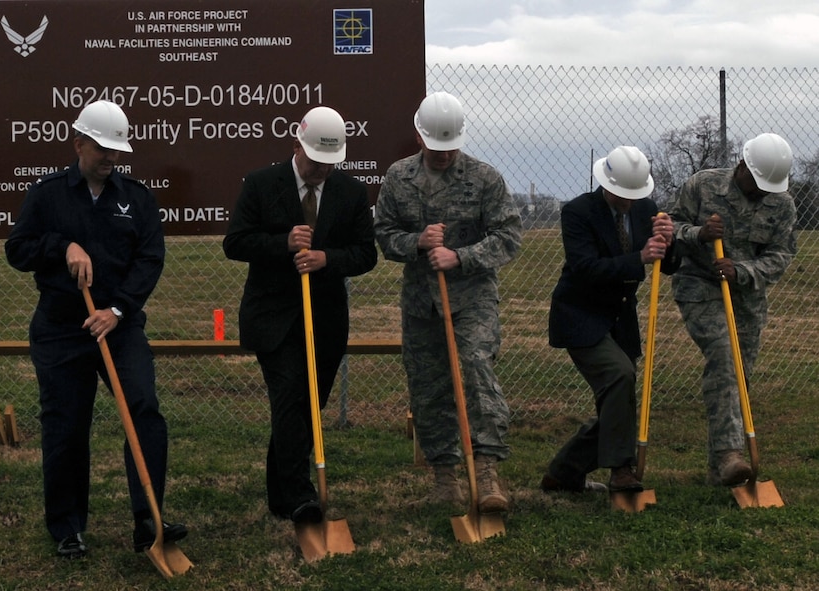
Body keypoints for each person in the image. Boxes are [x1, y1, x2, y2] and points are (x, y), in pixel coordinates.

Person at [5, 100, 186, 558]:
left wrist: (118, 311)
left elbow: (150, 260)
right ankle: (67, 527)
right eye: (103, 148)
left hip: (119, 327)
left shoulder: (137, 198)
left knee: (143, 409)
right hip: (61, 328)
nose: (111, 158)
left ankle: (149, 519)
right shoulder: (47, 194)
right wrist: (62, 245)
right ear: (79, 142)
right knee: (65, 424)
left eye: (117, 150)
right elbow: (18, 249)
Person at [223, 106, 377, 524]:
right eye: (314, 162)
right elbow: (235, 243)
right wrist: (283, 243)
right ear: (296, 146)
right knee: (292, 397)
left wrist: (328, 258)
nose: (321, 171)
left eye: (329, 164)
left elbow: (366, 254)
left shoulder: (350, 192)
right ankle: (301, 495)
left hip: (324, 320)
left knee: (310, 406)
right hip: (273, 319)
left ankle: (279, 493)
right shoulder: (261, 184)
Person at [374, 91, 522, 513]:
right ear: (419, 136)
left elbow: (508, 236)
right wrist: (416, 243)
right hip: (422, 303)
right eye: (436, 147)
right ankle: (445, 477)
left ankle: (488, 471)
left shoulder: (484, 178)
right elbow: (383, 234)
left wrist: (461, 256)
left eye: (450, 147)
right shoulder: (398, 177)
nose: (443, 155)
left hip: (472, 298)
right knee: (427, 384)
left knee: (475, 369)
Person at [541, 146, 678, 494]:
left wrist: (668, 241)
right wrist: (639, 257)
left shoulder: (646, 209)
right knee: (619, 375)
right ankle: (621, 470)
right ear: (607, 184)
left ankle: (564, 472)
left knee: (619, 398)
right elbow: (585, 268)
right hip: (580, 316)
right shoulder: (578, 212)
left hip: (620, 317)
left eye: (636, 195)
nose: (630, 202)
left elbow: (669, 264)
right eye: (624, 195)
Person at [670, 132, 797, 487]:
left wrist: (743, 270)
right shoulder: (703, 186)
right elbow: (669, 227)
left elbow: (781, 255)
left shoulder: (781, 203)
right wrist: (700, 234)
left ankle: (720, 468)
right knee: (725, 357)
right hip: (700, 285)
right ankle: (730, 455)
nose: (760, 192)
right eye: (756, 183)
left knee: (739, 374)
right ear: (741, 166)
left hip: (746, 296)